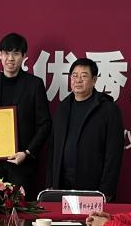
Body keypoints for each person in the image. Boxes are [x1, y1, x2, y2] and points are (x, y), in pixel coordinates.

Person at [0, 33, 51, 197]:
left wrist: (27, 152)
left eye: (16, 53)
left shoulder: (34, 84)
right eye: (6, 53)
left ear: (24, 56)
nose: (10, 58)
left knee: (20, 209)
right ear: (0, 55)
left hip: (22, 164)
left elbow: (45, 124)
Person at [47, 58, 124, 200]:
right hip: (62, 182)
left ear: (94, 80)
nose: (78, 80)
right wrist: (51, 183)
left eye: (84, 76)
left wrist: (106, 190)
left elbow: (114, 154)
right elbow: (53, 148)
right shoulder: (63, 108)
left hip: (93, 183)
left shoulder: (108, 110)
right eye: (74, 75)